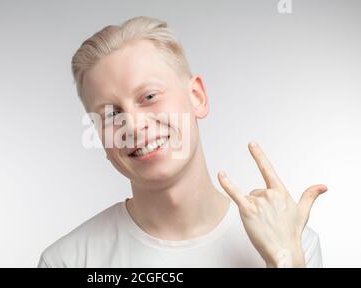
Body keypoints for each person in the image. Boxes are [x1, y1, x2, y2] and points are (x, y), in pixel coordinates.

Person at [38, 16, 327, 268]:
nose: (134, 125)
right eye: (111, 114)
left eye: (149, 96)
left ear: (197, 97)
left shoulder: (291, 239)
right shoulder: (68, 261)